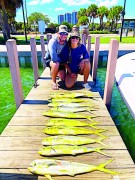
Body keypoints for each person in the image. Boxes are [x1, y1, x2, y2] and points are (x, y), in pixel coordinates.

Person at [47, 25, 68, 90]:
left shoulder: (67, 43)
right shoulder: (52, 42)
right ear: (57, 33)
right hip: (51, 60)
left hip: (60, 62)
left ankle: (55, 72)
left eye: (65, 33)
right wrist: (63, 61)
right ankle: (53, 82)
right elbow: (54, 58)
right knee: (56, 64)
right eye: (61, 33)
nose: (63, 35)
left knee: (63, 79)